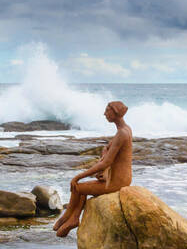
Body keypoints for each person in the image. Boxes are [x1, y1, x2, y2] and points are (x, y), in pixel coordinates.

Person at [53, 101, 132, 237]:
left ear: (116, 112)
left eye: (107, 110)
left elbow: (106, 162)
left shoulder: (122, 134)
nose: (104, 113)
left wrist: (78, 176)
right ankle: (73, 218)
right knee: (84, 188)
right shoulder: (125, 129)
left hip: (116, 182)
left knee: (77, 187)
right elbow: (108, 151)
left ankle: (68, 217)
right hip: (122, 178)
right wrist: (106, 170)